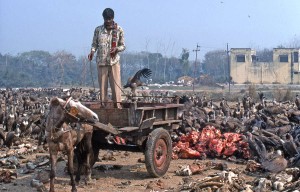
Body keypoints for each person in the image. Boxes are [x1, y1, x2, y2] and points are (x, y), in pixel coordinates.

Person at [88, 8, 125, 108]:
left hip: (114, 62)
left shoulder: (119, 30)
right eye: (106, 19)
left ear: (112, 18)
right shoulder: (98, 30)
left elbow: (123, 45)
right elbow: (94, 44)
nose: (107, 21)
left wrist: (116, 49)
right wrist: (92, 52)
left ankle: (118, 107)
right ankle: (103, 107)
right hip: (102, 62)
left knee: (116, 88)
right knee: (103, 88)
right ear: (103, 18)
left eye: (109, 19)